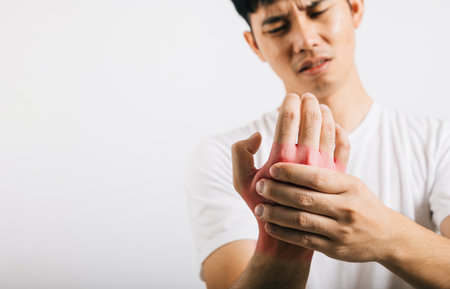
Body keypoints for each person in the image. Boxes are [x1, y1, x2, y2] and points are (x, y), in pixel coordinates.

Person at [185, 0, 450, 288]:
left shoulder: (438, 142)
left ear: (355, 8)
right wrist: (284, 240)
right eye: (277, 26)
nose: (305, 40)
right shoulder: (228, 158)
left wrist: (385, 233)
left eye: (318, 11)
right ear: (254, 45)